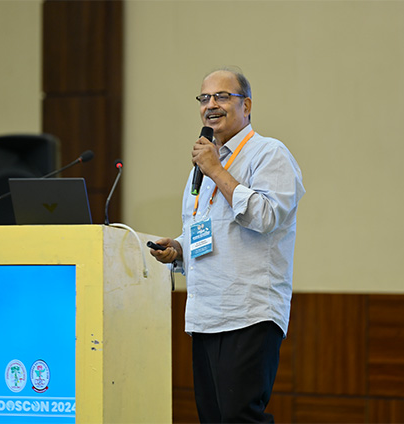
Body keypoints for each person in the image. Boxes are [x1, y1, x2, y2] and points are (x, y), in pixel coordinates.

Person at [149, 67, 305, 422]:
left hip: (248, 312)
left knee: (240, 417)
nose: (211, 105)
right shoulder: (205, 165)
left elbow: (266, 216)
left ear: (246, 105)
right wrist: (178, 248)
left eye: (222, 96)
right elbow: (210, 232)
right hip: (206, 314)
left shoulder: (269, 153)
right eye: (204, 98)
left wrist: (216, 170)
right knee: (214, 418)